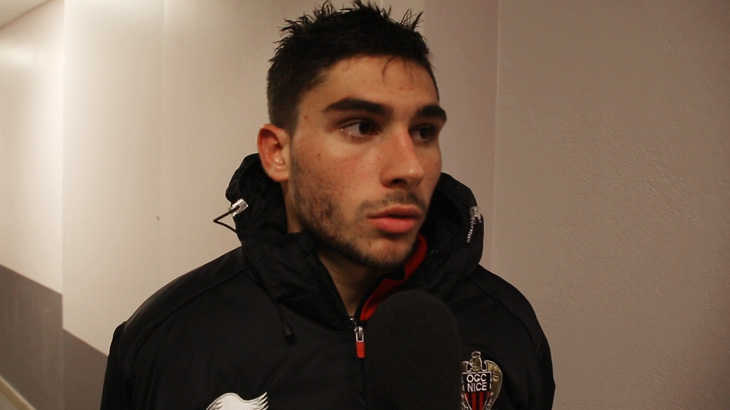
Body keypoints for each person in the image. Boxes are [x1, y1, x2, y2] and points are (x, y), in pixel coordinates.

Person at [100, 1, 555, 409]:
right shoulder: (168, 342)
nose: (410, 167)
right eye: (361, 127)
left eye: (423, 132)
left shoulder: (506, 328)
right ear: (279, 153)